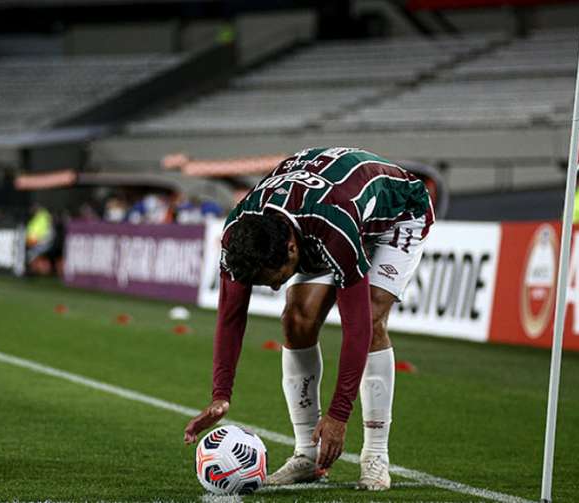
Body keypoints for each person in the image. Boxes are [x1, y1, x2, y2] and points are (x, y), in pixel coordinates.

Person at [183, 147, 434, 491]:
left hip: (396, 214)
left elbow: (356, 328)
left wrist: (338, 414)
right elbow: (230, 317)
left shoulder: (333, 226)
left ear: (290, 250)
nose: (273, 287)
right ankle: (307, 455)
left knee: (373, 318)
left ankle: (375, 455)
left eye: (274, 276)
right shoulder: (238, 235)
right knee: (296, 317)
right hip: (314, 213)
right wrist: (220, 394)